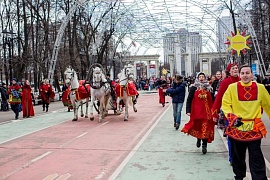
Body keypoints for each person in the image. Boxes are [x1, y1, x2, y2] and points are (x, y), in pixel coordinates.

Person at [222, 65, 270, 180]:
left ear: (252, 74)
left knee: (256, 156)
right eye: (242, 73)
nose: (245, 75)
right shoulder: (232, 88)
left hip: (254, 128)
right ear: (239, 75)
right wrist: (233, 119)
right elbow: (225, 104)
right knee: (237, 157)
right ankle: (239, 176)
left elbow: (268, 104)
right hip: (237, 127)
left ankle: (259, 178)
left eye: (247, 73)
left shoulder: (260, 88)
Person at [212, 63, 240, 164]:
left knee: (242, 136)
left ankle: (239, 157)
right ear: (229, 71)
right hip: (230, 114)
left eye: (237, 68)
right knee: (232, 136)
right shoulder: (225, 82)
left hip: (243, 114)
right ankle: (232, 157)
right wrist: (215, 113)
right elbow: (219, 98)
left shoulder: (243, 80)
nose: (236, 70)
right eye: (233, 68)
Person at [181, 72, 214, 154]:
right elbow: (189, 99)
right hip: (197, 112)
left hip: (207, 112)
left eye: (203, 77)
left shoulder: (209, 88)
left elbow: (212, 100)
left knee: (206, 128)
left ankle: (204, 145)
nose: (202, 78)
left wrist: (214, 110)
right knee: (198, 127)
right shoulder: (193, 87)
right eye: (200, 77)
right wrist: (188, 110)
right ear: (198, 78)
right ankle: (198, 139)